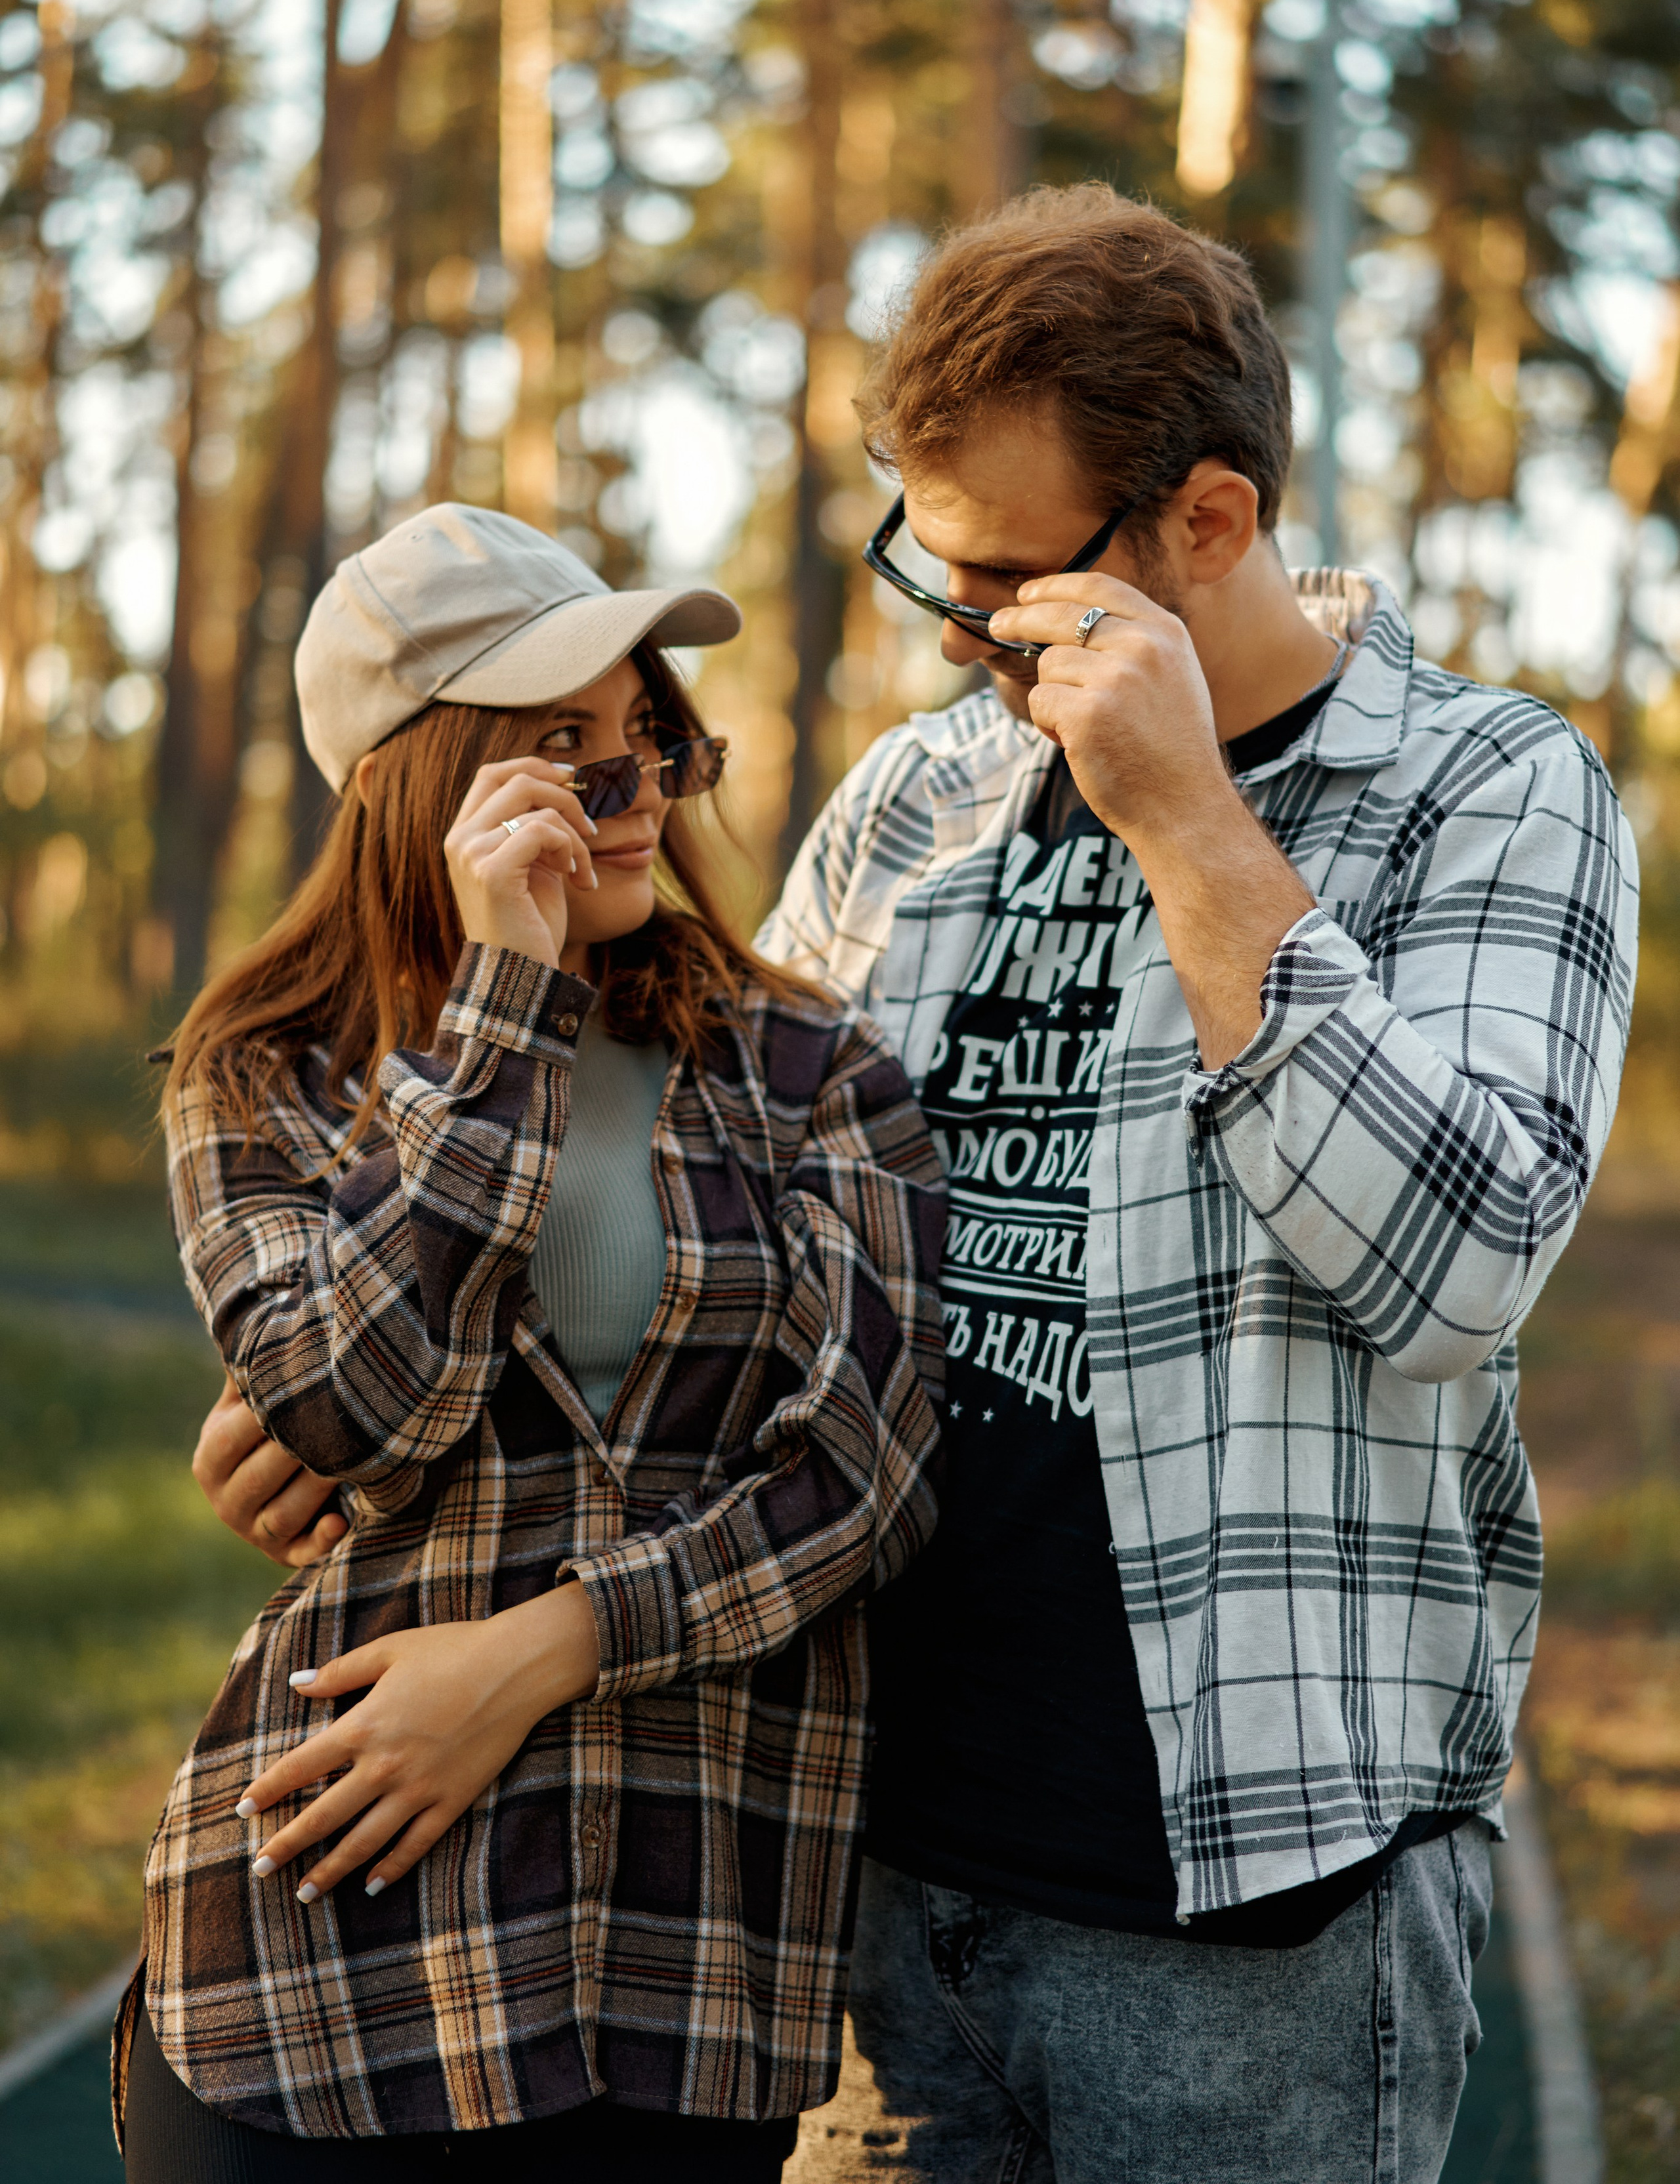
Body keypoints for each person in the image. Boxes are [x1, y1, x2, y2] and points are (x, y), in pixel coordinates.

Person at [749, 184, 1636, 2183]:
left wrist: (1187, 822)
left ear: (1208, 525)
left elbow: (1463, 1267)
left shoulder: (1492, 790)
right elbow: (746, 1239)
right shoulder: (915, 795)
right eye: (929, 568)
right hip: (881, 1877)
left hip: (1260, 1917)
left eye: (1003, 585)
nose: (959, 632)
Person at [123, 504, 944, 2183]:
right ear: (413, 788)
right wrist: (506, 1010)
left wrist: (547, 1649)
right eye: (560, 753)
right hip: (320, 1969)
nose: (628, 787)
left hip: (683, 1976)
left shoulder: (807, 1070)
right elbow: (353, 1411)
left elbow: (868, 1478)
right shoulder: (264, 1070)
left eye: (643, 737)